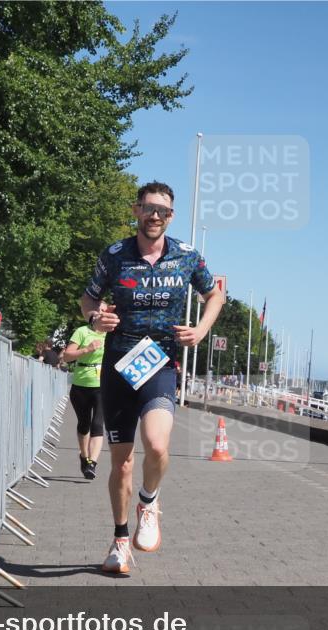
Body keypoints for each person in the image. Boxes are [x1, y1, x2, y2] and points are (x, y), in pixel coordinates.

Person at [80, 181, 224, 574]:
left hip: (160, 362)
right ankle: (120, 541)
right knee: (121, 463)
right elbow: (88, 298)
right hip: (118, 364)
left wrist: (201, 330)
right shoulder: (114, 256)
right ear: (136, 211)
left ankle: (149, 500)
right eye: (148, 208)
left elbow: (215, 295)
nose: (155, 215)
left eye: (162, 210)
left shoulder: (187, 257)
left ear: (171, 216)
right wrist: (96, 317)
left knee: (158, 446)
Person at [61, 324, 106, 479]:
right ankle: (84, 456)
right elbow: (66, 357)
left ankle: (92, 463)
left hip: (103, 385)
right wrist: (87, 349)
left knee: (98, 424)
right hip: (81, 384)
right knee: (84, 423)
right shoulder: (82, 331)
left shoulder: (112, 334)